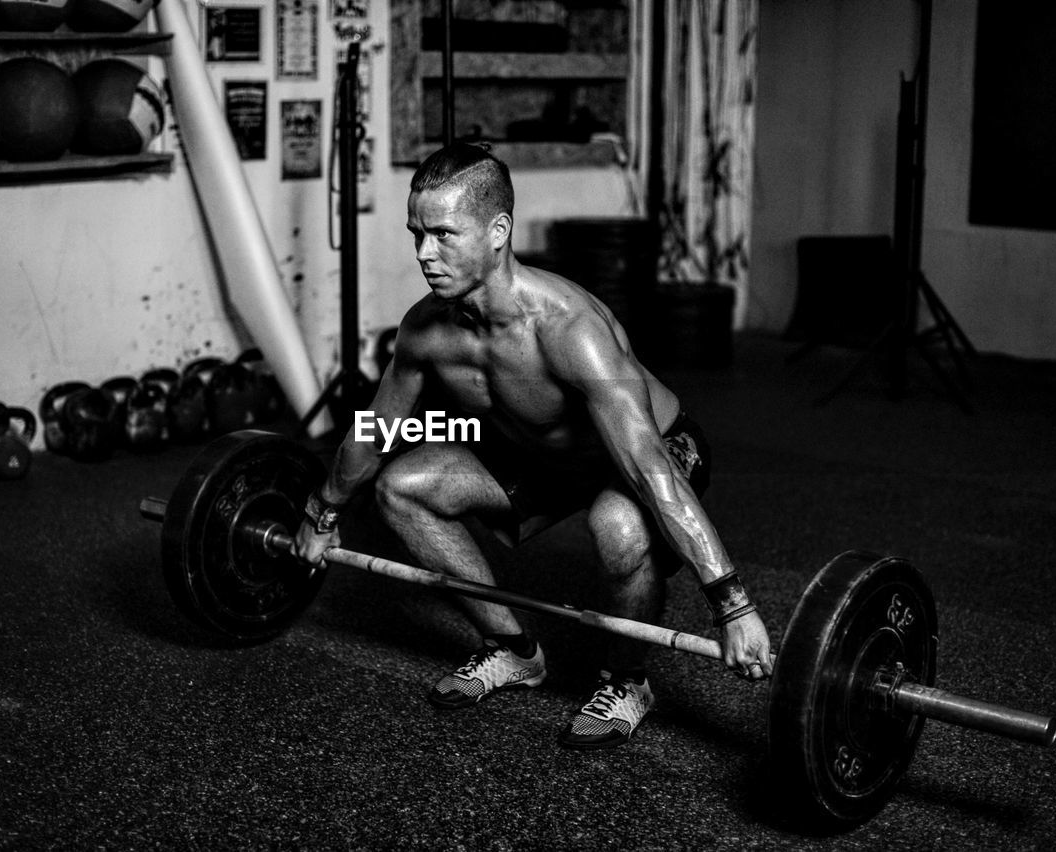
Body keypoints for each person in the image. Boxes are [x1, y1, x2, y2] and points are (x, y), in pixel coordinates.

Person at [294, 142, 772, 750]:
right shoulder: (425, 331)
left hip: (651, 449)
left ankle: (627, 680)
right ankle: (513, 650)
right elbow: (377, 430)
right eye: (417, 233)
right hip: (537, 455)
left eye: (443, 234)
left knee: (618, 526)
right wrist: (322, 511)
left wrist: (731, 604)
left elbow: (651, 468)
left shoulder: (570, 330)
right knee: (402, 487)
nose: (423, 254)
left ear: (499, 231)